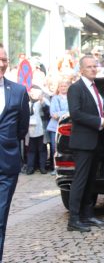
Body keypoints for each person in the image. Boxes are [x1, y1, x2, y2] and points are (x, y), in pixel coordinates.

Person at [67, 55, 104, 232]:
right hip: (83, 143)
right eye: (89, 67)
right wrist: (100, 122)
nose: (93, 69)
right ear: (81, 69)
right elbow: (76, 114)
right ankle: (74, 219)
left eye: (95, 66)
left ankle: (87, 214)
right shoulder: (76, 88)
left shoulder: (95, 88)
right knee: (80, 180)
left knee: (90, 181)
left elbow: (99, 110)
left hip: (96, 140)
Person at [0, 44, 30, 261]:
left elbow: (22, 127)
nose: (2, 64)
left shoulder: (19, 91)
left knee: (0, 219)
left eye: (4, 59)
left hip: (6, 166)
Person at [46, 78, 71, 175]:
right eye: (61, 86)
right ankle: (55, 168)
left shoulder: (72, 97)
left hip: (68, 127)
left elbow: (73, 111)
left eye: (65, 86)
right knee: (54, 148)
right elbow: (53, 114)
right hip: (54, 127)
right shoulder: (55, 98)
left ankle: (66, 167)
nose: (63, 88)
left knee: (66, 148)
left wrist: (60, 113)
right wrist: (66, 113)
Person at [26, 85, 50, 175]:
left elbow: (48, 112)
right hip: (29, 130)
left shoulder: (43, 101)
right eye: (31, 91)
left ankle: (42, 167)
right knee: (31, 150)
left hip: (41, 130)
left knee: (42, 149)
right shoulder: (26, 102)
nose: (33, 93)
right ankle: (30, 167)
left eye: (35, 91)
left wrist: (42, 102)